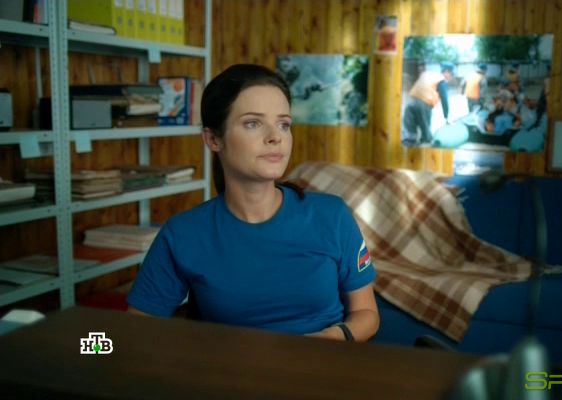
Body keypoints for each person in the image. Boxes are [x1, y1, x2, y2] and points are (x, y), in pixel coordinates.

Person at [127, 64, 379, 342]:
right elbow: (134, 331)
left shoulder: (332, 215)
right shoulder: (183, 233)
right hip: (229, 369)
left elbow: (367, 313)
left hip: (323, 364)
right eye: (253, 123)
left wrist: (330, 339)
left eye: (284, 124)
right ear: (213, 139)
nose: (275, 137)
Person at [401, 62, 454, 146]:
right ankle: (426, 147)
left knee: (409, 135)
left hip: (411, 102)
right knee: (426, 135)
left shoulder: (429, 74)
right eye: (451, 74)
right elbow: (444, 100)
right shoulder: (441, 80)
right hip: (424, 104)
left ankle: (408, 147)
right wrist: (446, 116)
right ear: (447, 72)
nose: (451, 77)